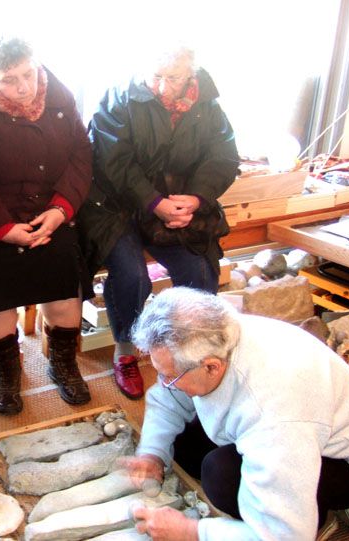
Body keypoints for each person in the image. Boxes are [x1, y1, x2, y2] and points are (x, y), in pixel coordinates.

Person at [123, 286, 349, 540]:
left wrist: (192, 531)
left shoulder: (274, 414)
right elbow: (169, 397)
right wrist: (152, 453)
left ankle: (320, 520)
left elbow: (285, 536)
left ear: (211, 367)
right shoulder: (214, 333)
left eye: (170, 376)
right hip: (294, 428)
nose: (165, 383)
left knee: (220, 475)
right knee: (182, 444)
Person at [78, 45, 240, 401]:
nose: (162, 87)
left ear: (190, 76)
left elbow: (223, 157)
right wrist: (154, 202)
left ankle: (193, 348)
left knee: (199, 270)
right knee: (131, 273)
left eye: (173, 79)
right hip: (117, 205)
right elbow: (112, 162)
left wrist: (196, 198)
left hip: (176, 204)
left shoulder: (207, 106)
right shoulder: (119, 98)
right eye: (155, 77)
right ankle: (125, 350)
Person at [0, 37, 93, 414]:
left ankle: (63, 362)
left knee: (62, 263)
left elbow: (80, 156)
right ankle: (8, 370)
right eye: (10, 80)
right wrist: (1, 227)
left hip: (48, 211)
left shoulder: (58, 94)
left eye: (28, 73)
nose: (24, 87)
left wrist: (61, 209)